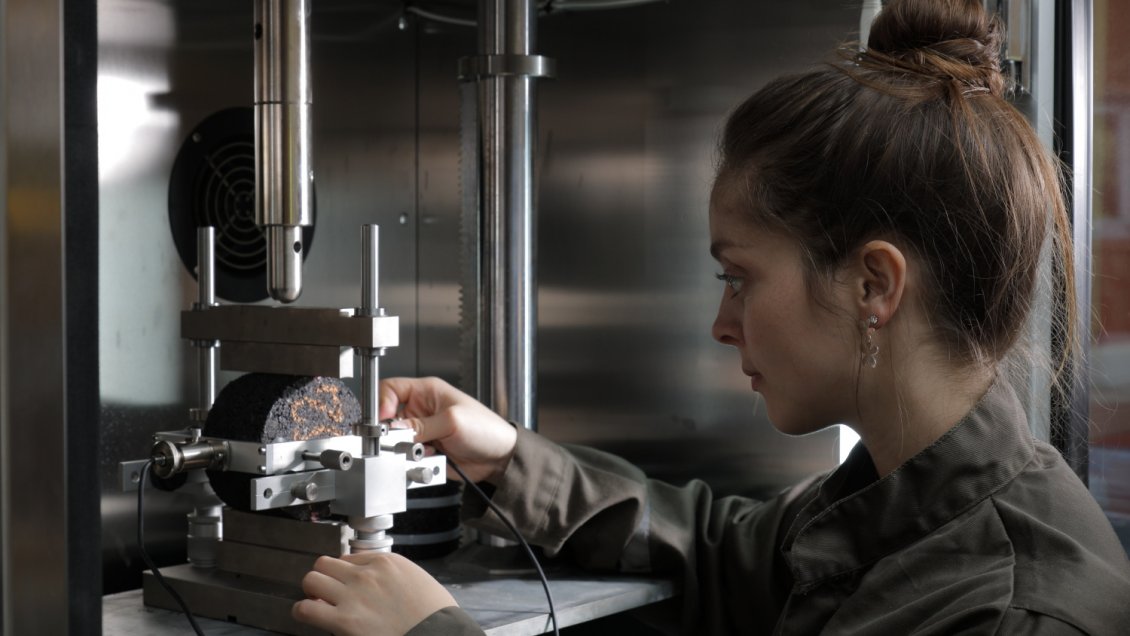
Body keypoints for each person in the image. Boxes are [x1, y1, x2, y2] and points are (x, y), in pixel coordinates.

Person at [291, 0, 1130, 633]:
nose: (723, 325)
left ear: (874, 285)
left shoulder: (1008, 613)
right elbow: (723, 547)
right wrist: (509, 458)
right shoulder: (899, 497)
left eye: (739, 278)